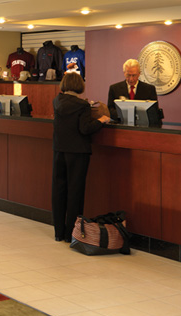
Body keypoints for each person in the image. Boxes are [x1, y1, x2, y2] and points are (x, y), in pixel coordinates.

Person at [52, 73, 110, 242]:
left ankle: (58, 232)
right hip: (78, 152)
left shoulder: (57, 101)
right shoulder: (82, 105)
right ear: (79, 85)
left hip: (59, 150)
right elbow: (85, 129)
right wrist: (101, 120)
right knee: (75, 192)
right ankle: (72, 233)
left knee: (58, 190)